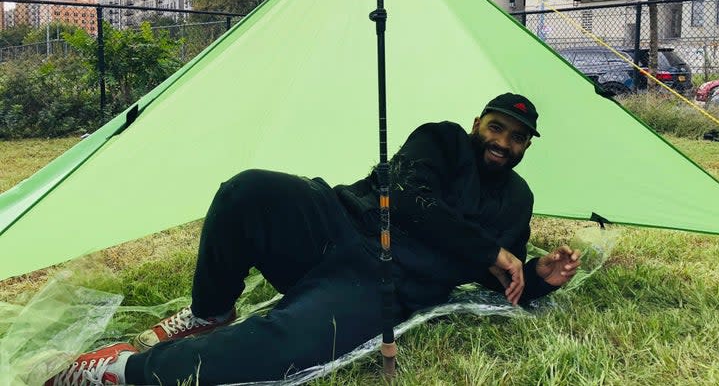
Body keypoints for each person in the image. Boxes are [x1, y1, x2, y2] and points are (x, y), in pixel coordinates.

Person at [46, 93, 581, 386]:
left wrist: (538, 277)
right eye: (497, 128)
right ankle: (209, 310)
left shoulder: (518, 199)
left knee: (287, 341)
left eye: (517, 138)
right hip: (335, 221)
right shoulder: (440, 139)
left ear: (526, 146)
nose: (504, 143)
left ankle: (124, 372)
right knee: (247, 190)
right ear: (476, 124)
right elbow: (414, 201)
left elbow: (501, 277)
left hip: (383, 283)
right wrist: (491, 249)